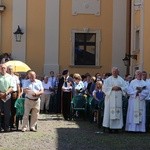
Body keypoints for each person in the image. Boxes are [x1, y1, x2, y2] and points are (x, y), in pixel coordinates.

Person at [102, 67, 127, 132]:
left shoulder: (121, 80)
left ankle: (117, 128)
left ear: (118, 72)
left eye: (116, 71)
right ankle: (109, 127)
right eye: (114, 71)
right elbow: (104, 88)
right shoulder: (108, 80)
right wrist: (112, 88)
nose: (115, 73)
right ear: (112, 72)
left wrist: (120, 88)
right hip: (110, 99)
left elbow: (125, 87)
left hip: (118, 99)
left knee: (118, 112)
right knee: (109, 112)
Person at [0, 64, 13, 132]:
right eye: (1, 68)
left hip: (7, 96)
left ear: (6, 69)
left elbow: (11, 87)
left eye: (4, 68)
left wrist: (5, 93)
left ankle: (6, 127)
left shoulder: (10, 77)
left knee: (7, 113)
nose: (3, 69)